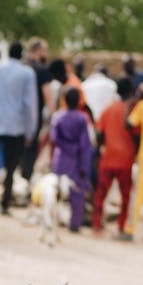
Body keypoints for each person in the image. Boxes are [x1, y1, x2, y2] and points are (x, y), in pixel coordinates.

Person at [0, 41, 37, 215]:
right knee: (10, 167)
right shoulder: (26, 74)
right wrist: (30, 130)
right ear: (21, 54)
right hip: (15, 127)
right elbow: (29, 104)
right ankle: (4, 204)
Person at [92, 77, 136, 239]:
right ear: (131, 92)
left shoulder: (108, 109)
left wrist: (99, 149)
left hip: (108, 158)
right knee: (125, 197)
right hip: (126, 160)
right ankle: (121, 227)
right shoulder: (132, 111)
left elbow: (99, 133)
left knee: (101, 193)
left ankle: (96, 224)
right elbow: (136, 133)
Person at [49, 85, 93, 233]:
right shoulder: (82, 119)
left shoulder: (58, 117)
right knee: (77, 193)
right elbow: (85, 144)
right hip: (76, 160)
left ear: (64, 100)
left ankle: (53, 220)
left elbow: (54, 139)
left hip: (61, 158)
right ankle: (74, 224)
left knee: (56, 191)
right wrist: (84, 167)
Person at [20, 37, 54, 183]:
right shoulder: (41, 70)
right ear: (38, 51)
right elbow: (48, 96)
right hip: (34, 116)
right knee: (30, 151)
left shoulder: (21, 66)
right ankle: (25, 181)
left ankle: (15, 184)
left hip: (17, 115)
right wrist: (54, 116)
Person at [126, 84, 143, 236]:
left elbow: (129, 123)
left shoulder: (142, 105)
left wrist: (129, 104)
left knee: (139, 193)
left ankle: (130, 229)